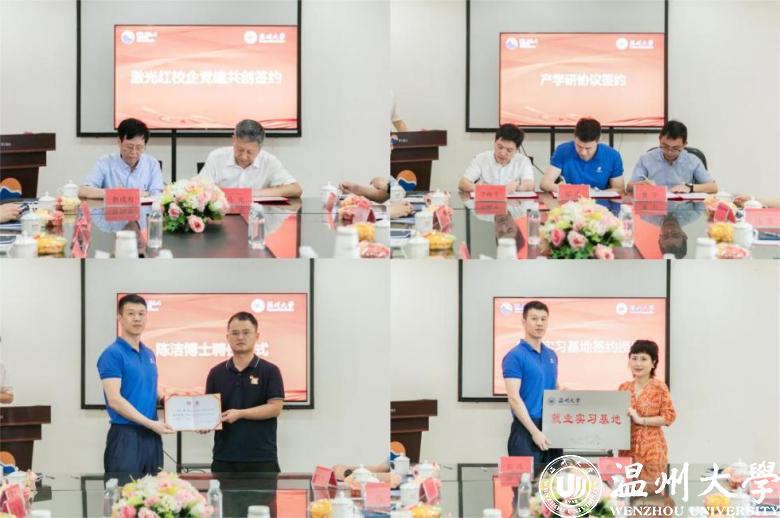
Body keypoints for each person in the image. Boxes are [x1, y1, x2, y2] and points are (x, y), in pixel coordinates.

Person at [97, 294, 172, 478]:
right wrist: (151, 424)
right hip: (126, 436)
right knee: (124, 492)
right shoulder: (113, 354)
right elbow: (115, 400)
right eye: (131, 313)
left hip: (151, 437)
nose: (137, 318)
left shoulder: (149, 354)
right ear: (120, 318)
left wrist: (167, 400)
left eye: (141, 313)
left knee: (153, 492)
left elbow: (148, 389)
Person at [205, 312, 284, 473]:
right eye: (235, 333)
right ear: (227, 337)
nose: (240, 337)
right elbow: (209, 410)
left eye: (246, 332)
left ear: (257, 336)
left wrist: (240, 413)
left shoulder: (270, 371)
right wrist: (203, 423)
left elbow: (275, 408)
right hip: (224, 458)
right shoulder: (216, 373)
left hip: (262, 458)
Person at [502, 300, 563, 472]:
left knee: (553, 484)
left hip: (552, 428)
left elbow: (554, 389)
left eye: (543, 319)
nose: (539, 323)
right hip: (526, 430)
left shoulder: (551, 355)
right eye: (534, 318)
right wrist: (534, 432)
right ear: (524, 322)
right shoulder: (515, 356)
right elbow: (514, 398)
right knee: (525, 485)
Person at [618, 340, 676, 487]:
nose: (638, 363)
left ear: (653, 362)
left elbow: (669, 417)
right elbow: (615, 415)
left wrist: (641, 420)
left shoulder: (659, 387)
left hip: (652, 450)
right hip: (627, 449)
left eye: (644, 359)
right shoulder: (624, 387)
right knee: (627, 493)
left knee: (651, 494)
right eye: (634, 358)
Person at [198, 119, 302, 198]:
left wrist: (256, 193)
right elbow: (198, 189)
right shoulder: (216, 157)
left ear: (260, 147)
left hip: (257, 216)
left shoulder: (269, 161)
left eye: (250, 152)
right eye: (240, 149)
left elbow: (296, 189)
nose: (244, 157)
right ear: (233, 140)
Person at [80, 118, 164, 199]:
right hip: (111, 209)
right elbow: (84, 191)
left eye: (139, 147)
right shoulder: (105, 162)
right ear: (119, 142)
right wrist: (127, 194)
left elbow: (157, 195)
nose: (134, 152)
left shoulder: (152, 164)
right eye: (129, 146)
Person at [628, 120, 718, 194]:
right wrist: (640, 185)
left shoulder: (693, 161)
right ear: (659, 139)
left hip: (685, 207)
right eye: (665, 146)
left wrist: (689, 187)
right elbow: (629, 188)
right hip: (656, 206)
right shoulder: (646, 159)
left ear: (684, 144)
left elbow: (713, 187)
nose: (669, 152)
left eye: (675, 148)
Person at [540, 118, 624, 193]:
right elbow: (544, 184)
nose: (583, 152)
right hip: (569, 202)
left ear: (599, 141)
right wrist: (562, 189)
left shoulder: (612, 156)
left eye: (588, 148)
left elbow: (619, 189)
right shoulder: (563, 150)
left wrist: (594, 193)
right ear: (574, 137)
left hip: (600, 202)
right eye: (579, 146)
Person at [459, 124, 534, 193]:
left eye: (509, 150)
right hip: (487, 202)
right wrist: (497, 190)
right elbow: (463, 184)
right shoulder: (481, 158)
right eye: (500, 147)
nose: (502, 153)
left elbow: (530, 185)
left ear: (516, 150)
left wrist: (516, 187)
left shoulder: (523, 161)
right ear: (494, 142)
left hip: (513, 202)